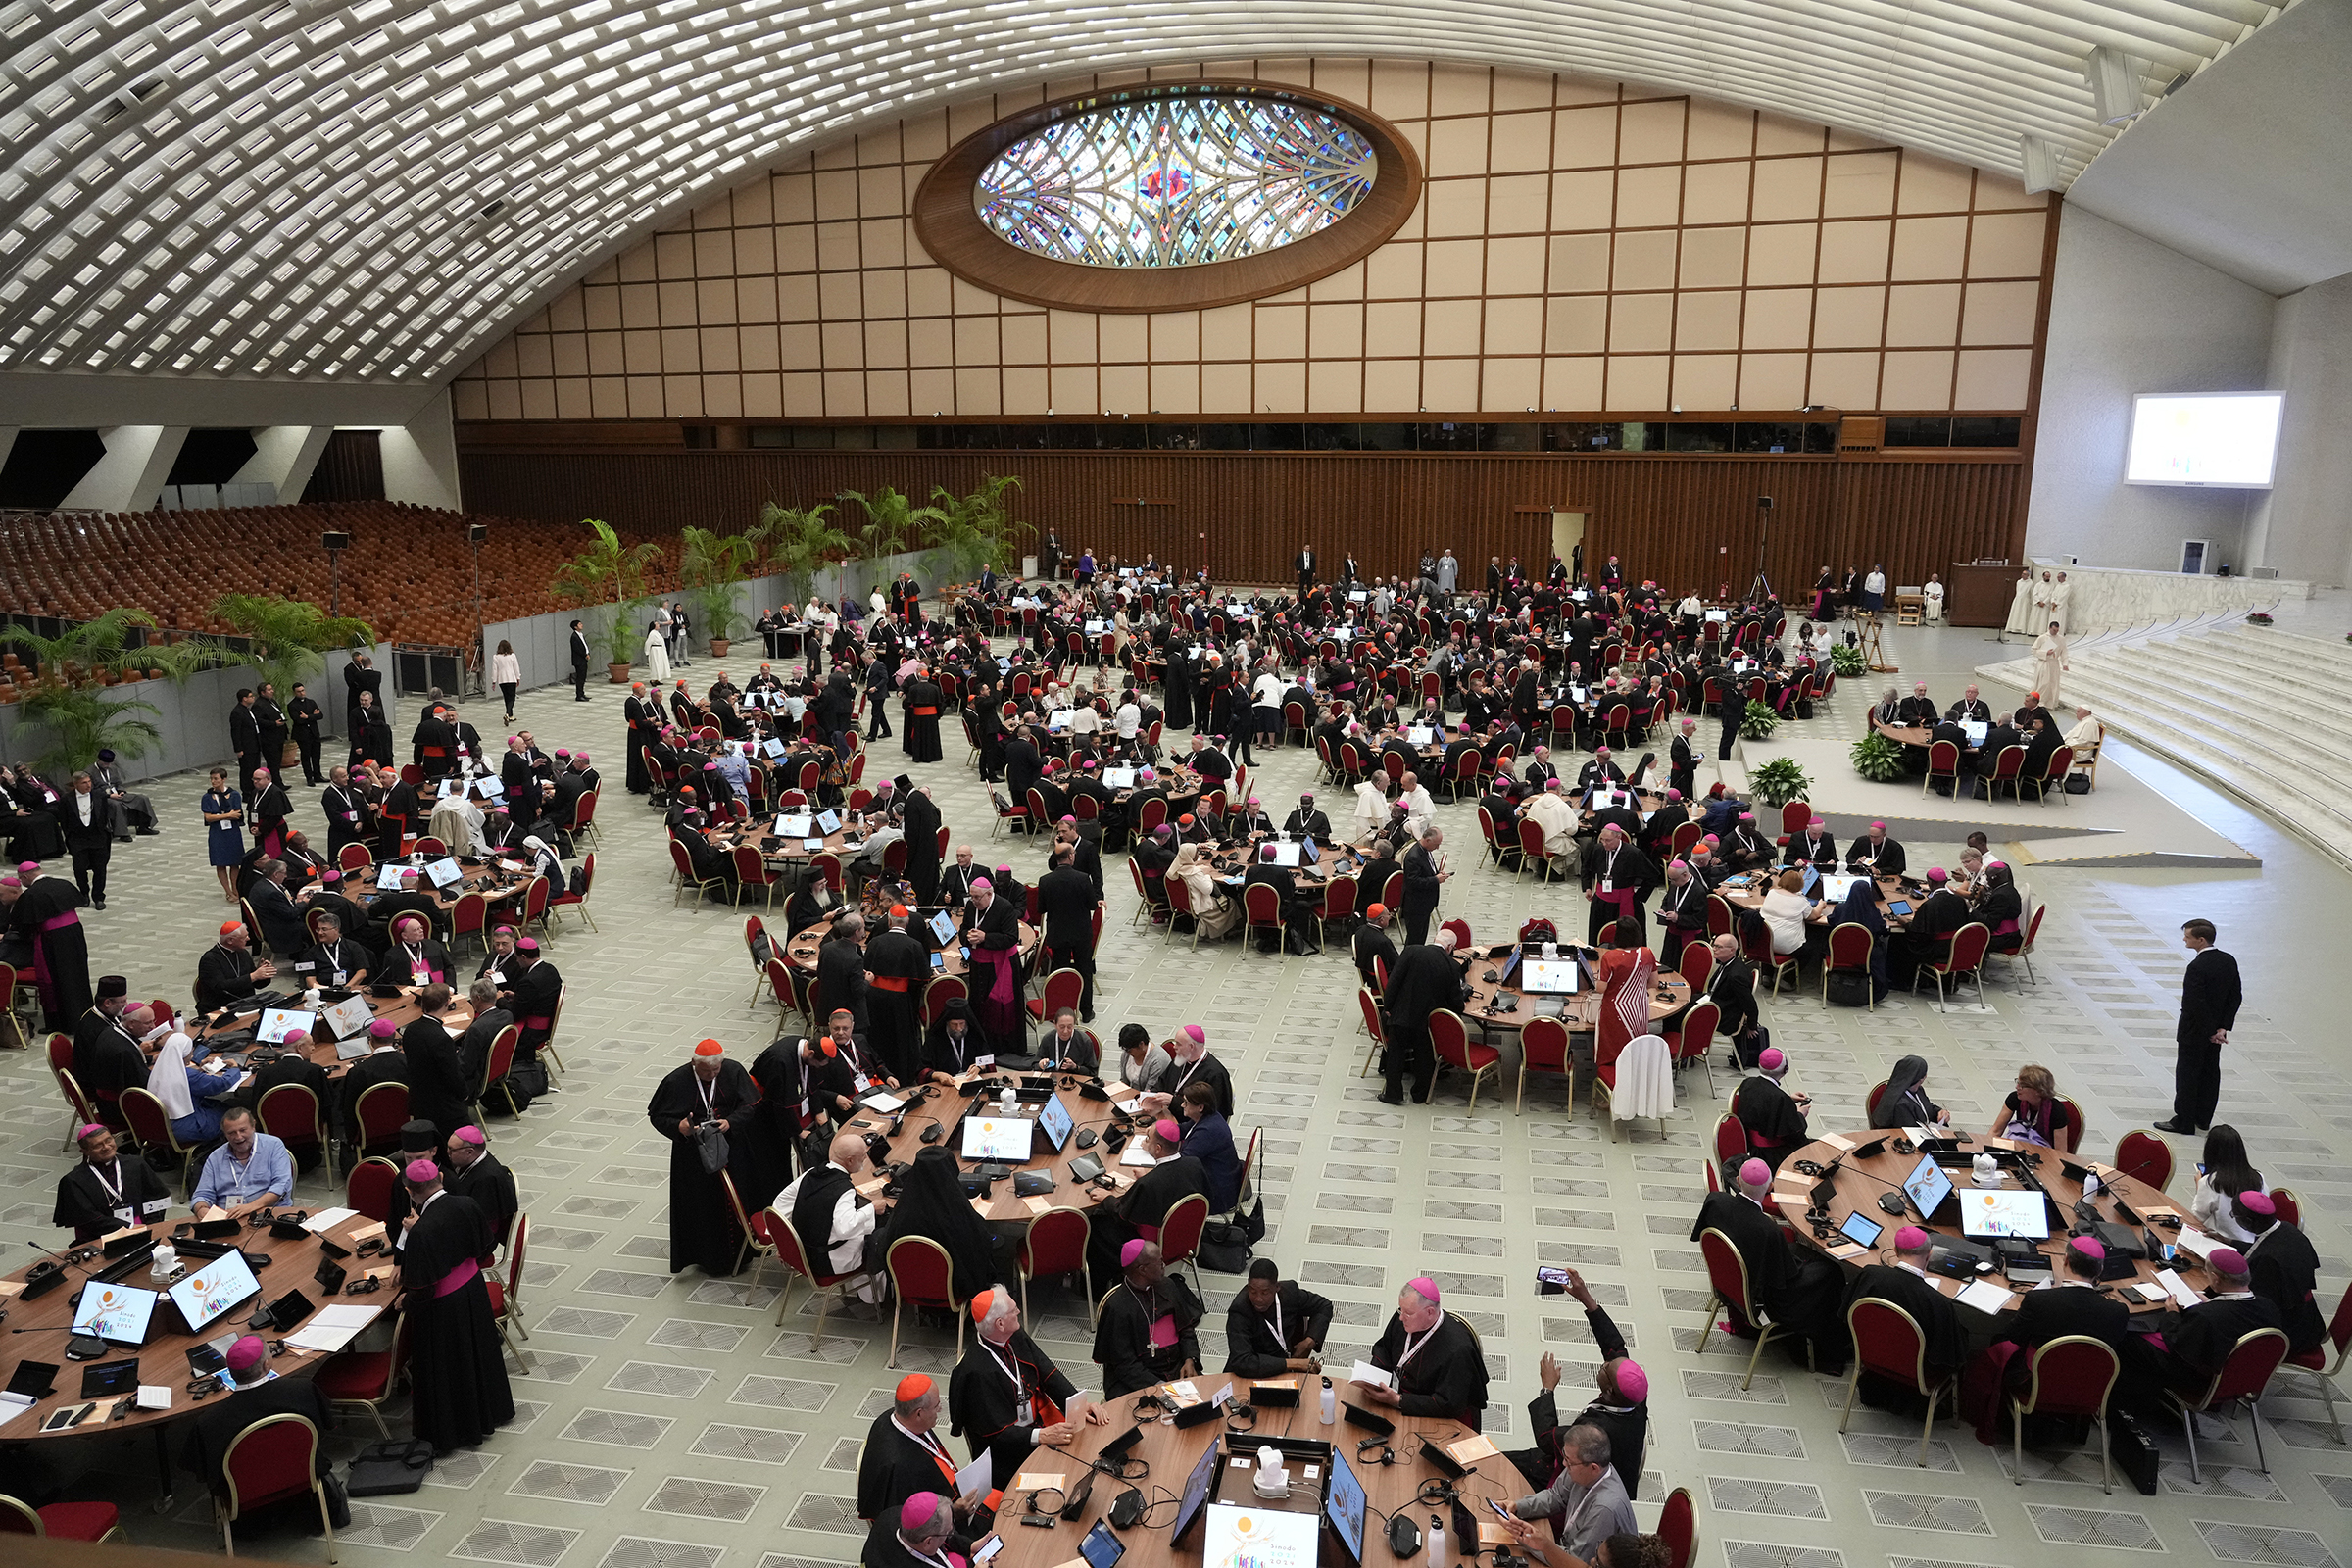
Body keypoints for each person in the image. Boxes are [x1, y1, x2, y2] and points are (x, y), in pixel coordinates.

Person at [394, 1156, 515, 1451]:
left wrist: (404, 1300)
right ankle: (492, 1412)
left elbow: (422, 1289)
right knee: (478, 1354)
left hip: (443, 1308)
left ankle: (454, 1432)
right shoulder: (467, 1204)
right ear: (441, 1178)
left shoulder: (421, 1232)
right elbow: (486, 1246)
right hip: (472, 1290)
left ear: (410, 1191)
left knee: (451, 1370)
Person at [1965, 1236, 2130, 1443]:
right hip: (2089, 1389)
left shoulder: (2040, 1300)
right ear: (2100, 1270)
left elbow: (2012, 1336)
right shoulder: (2118, 1311)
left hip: (2034, 1384)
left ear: (2066, 1260)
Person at [1694, 1159, 1845, 1370]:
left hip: (1732, 1280)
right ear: (1770, 1187)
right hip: (1764, 1296)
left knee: (1800, 1252)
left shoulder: (1715, 1201)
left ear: (1738, 1180)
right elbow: (1787, 1278)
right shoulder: (1768, 1230)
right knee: (1832, 1271)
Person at [1511, 1266, 1647, 1499]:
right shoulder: (1635, 1393)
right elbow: (1614, 1347)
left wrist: (1547, 1389)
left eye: (1606, 1368)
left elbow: (1547, 1438)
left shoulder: (1596, 1432)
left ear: (1610, 1390)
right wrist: (1587, 1299)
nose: (1606, 1363)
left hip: (1578, 1484)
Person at [949, 1287, 1103, 1484]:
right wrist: (1042, 1435)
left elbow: (1047, 1372)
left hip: (1037, 1424)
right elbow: (997, 1435)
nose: (1019, 1312)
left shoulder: (1013, 1335)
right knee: (1072, 1474)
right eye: (1013, 1310)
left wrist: (1078, 1405)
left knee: (1090, 1445)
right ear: (1000, 1324)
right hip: (1008, 1453)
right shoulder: (976, 1374)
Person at [648, 1038, 758, 1276]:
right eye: (706, 1071)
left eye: (716, 1070)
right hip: (694, 1158)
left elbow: (750, 1105)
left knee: (736, 1199)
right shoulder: (677, 1081)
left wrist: (732, 1121)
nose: (712, 1075)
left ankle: (742, 1254)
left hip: (732, 1149)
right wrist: (680, 1127)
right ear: (694, 1064)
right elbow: (657, 1116)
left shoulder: (733, 1071)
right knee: (702, 1207)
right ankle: (707, 1259)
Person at [179, 1335, 334, 1495]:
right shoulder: (302, 1389)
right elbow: (323, 1427)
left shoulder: (209, 1422)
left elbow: (203, 1470)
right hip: (304, 1475)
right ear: (267, 1364)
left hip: (243, 1495)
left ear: (230, 1373)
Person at [858, 1379, 991, 1547]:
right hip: (941, 1532)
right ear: (918, 1414)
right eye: (936, 1406)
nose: (940, 1409)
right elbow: (916, 1528)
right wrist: (954, 1512)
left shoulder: (895, 1417)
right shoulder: (901, 1467)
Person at [1842, 1226, 1964, 1408]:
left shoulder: (1870, 1274)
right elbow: (1949, 1356)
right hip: (1918, 1371)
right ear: (1929, 1255)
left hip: (1870, 1355)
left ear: (1895, 1251)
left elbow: (1847, 1312)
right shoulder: (1938, 1302)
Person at [1357, 1275, 1490, 1428]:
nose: (1401, 1318)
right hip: (1397, 1395)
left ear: (1429, 1313)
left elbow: (1449, 1404)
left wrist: (1398, 1400)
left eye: (1408, 1313)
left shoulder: (1458, 1349)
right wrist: (1375, 1378)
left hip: (1436, 1415)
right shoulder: (1403, 1319)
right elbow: (1384, 1348)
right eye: (1401, 1309)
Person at [1086, 1116, 1206, 1281]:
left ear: (1158, 1148)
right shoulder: (1195, 1164)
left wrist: (1107, 1197)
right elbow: (1176, 1183)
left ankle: (1103, 1285)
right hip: (1185, 1237)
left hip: (1151, 1244)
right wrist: (1149, 1176)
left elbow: (1122, 1215)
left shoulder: (1148, 1184)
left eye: (1148, 1138)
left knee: (1095, 1224)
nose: (1145, 1141)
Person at [881, 1145, 1011, 1296]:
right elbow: (982, 1243)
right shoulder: (957, 1212)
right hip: (956, 1287)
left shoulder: (903, 1210)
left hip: (910, 1286)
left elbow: (886, 1244)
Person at [778, 1130, 885, 1308]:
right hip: (827, 1260)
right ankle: (876, 1296)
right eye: (863, 1155)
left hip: (804, 1252)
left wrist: (784, 1242)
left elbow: (781, 1203)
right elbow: (846, 1229)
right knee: (882, 1234)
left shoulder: (811, 1173)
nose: (866, 1158)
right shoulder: (844, 1190)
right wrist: (871, 1208)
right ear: (850, 1160)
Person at [1093, 1238, 1205, 1396]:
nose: (1164, 1265)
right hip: (1137, 1379)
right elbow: (1124, 1364)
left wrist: (1190, 1359)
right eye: (1159, 1262)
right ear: (1142, 1270)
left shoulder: (1168, 1286)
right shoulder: (1117, 1307)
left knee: (1206, 1406)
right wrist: (1158, 1386)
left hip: (1176, 1369)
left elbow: (1186, 1329)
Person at [2157, 918, 2239, 1133]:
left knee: (2187, 1074)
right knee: (2210, 1073)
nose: (2184, 939)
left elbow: (2194, 1004)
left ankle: (2184, 1120)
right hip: (2216, 1033)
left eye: (2188, 936)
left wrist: (2209, 1030)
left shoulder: (2197, 966)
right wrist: (2222, 1028)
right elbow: (2234, 996)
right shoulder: (2228, 960)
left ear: (2201, 940)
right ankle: (2203, 1118)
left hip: (2195, 1031)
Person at [2234, 1190, 2326, 1356]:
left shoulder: (2268, 1262)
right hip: (2309, 1319)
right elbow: (2264, 1247)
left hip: (2287, 1334)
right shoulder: (2287, 1229)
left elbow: (2257, 1307)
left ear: (2248, 1221)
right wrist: (2228, 1242)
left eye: (2235, 1216)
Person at [1382, 930, 1466, 1104]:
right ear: (1450, 947)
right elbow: (1456, 1004)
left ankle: (1393, 1094)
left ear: (1435, 939)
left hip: (1402, 1013)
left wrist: (1389, 1008)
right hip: (1427, 1021)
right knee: (1424, 1055)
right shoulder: (1452, 966)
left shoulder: (1411, 951)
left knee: (1395, 1054)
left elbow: (1394, 981)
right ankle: (1420, 1095)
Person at [53, 1122, 172, 1241]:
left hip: (142, 1227)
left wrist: (152, 1226)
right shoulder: (73, 1181)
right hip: (101, 1237)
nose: (106, 1147)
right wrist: (129, 1228)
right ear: (85, 1151)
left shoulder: (136, 1164)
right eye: (98, 1145)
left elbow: (157, 1198)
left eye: (108, 1140)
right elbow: (89, 1220)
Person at [1222, 1258, 1333, 1377]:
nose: (1258, 1299)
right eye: (1253, 1291)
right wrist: (1294, 1364)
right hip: (1254, 1372)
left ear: (1277, 1288)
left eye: (1265, 1293)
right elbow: (1243, 1361)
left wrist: (1310, 1341)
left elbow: (1324, 1306)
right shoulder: (1239, 1311)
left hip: (1290, 1369)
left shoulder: (1290, 1293)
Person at [190, 1106, 292, 1219]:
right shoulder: (215, 1157)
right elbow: (202, 1194)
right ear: (225, 1134)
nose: (238, 1137)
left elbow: (282, 1185)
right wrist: (201, 1209)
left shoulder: (273, 1146)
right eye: (232, 1133)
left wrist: (251, 1206)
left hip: (268, 1215)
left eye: (243, 1130)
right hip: (229, 1219)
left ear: (253, 1126)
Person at [402, 983, 475, 1141]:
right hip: (443, 1107)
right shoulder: (441, 1039)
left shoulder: (410, 1030)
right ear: (447, 1002)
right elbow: (451, 1073)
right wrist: (464, 1094)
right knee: (469, 1141)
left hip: (419, 1101)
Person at [148, 1029, 244, 1143]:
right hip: (187, 1127)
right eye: (191, 1051)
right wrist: (234, 1068)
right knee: (235, 1112)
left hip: (161, 1124)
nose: (192, 1053)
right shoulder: (189, 1076)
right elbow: (221, 1084)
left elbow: (185, 1080)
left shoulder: (158, 1069)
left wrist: (200, 1070)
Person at [2186, 1125, 2268, 1244]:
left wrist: (2199, 1187)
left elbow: (2197, 1217)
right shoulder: (2259, 1178)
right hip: (2252, 1244)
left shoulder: (2211, 1182)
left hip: (2219, 1243)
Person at [1731, 1047, 1809, 1165]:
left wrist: (1789, 1099)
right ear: (1785, 1070)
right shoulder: (1779, 1098)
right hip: (1772, 1155)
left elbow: (1762, 1103)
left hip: (1752, 1148)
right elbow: (1793, 1135)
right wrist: (1800, 1115)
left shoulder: (1748, 1083)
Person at [1177, 1079, 1242, 1211]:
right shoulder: (1207, 1117)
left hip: (1215, 1195)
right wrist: (1157, 1131)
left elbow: (1183, 1163)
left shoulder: (1207, 1131)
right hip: (1217, 1180)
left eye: (1186, 1103)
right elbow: (1182, 1130)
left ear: (1200, 1107)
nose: (1182, 1105)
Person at [1986, 1062, 2077, 1149]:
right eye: (2018, 1082)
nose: (2017, 1087)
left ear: (2038, 1090)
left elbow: (2060, 1152)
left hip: (2046, 1154)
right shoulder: (2015, 1098)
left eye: (2022, 1085)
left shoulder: (2057, 1110)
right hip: (2019, 1148)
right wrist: (1984, 1150)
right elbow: (1996, 1131)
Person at [58, 771, 112, 909]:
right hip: (78, 839)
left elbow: (105, 815)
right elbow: (64, 820)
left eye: (89, 782)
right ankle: (84, 894)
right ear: (76, 785)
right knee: (80, 868)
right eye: (84, 783)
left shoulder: (99, 796)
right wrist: (69, 837)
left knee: (100, 869)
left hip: (98, 837)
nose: (88, 785)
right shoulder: (66, 799)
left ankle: (98, 897)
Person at [195, 919, 273, 1010]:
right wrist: (253, 976)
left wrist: (263, 974)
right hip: (220, 1008)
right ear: (230, 940)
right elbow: (220, 988)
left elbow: (257, 985)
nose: (248, 938)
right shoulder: (210, 960)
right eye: (244, 937)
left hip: (247, 1004)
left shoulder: (243, 953)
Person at [1398, 825, 1448, 946]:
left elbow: (1428, 868)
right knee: (1414, 940)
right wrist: (1435, 879)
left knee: (1420, 938)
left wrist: (1437, 873)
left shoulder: (1425, 850)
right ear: (1427, 840)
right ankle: (1409, 962)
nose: (1437, 848)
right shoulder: (1414, 856)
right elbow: (1413, 882)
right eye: (1436, 844)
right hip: (1415, 905)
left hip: (1425, 904)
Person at [1870, 1054, 1945, 1129]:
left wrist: (1939, 1112)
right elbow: (1909, 1131)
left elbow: (1926, 1108)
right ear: (1922, 1078)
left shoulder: (1919, 1090)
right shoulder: (1900, 1104)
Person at [2031, 620, 2069, 707]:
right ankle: (2039, 701)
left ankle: (2050, 702)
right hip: (2044, 662)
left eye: (2057, 630)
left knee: (2053, 683)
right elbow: (2034, 650)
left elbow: (2064, 652)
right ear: (2050, 628)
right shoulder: (2043, 638)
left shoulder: (2061, 639)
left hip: (2054, 663)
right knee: (2044, 683)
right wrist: (2045, 653)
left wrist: (2065, 663)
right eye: (2054, 630)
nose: (2056, 632)